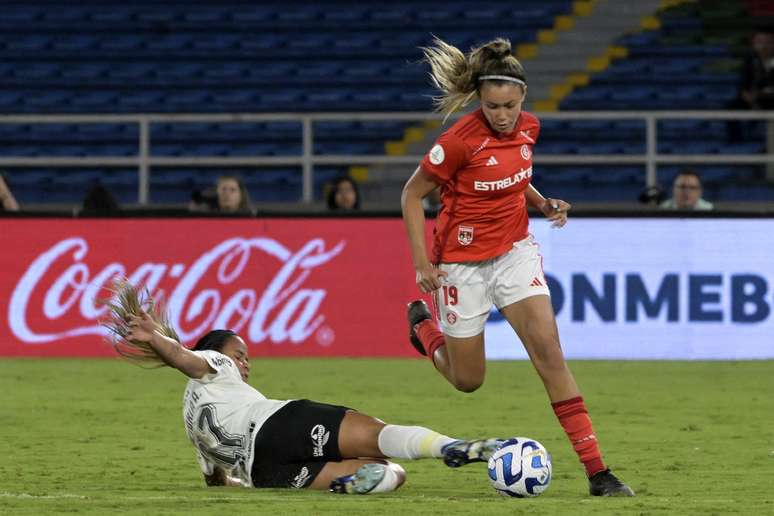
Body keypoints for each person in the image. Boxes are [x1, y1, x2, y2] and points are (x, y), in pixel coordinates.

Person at [400, 37, 634, 497]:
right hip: (460, 265)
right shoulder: (458, 142)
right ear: (480, 101)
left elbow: (515, 178)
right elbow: (411, 194)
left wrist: (542, 202)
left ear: (523, 98)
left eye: (509, 105)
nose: (501, 115)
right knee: (468, 381)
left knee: (549, 353)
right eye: (492, 106)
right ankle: (424, 332)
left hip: (513, 252)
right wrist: (422, 263)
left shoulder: (530, 128)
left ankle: (598, 472)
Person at [103, 280, 503, 494]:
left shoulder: (190, 417)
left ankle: (369, 481)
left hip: (266, 474)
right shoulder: (215, 364)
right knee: (378, 434)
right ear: (217, 353)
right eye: (240, 354)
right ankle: (450, 447)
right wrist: (157, 339)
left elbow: (213, 477)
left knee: (390, 473)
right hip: (278, 424)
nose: (245, 363)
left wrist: (234, 483)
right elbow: (184, 358)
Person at [727, 27, 774, 141]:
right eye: (759, 42)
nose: (763, 46)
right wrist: (746, 95)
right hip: (755, 98)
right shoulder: (750, 59)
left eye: (767, 42)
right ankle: (735, 140)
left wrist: (761, 94)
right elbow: (743, 83)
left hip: (771, 98)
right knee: (731, 106)